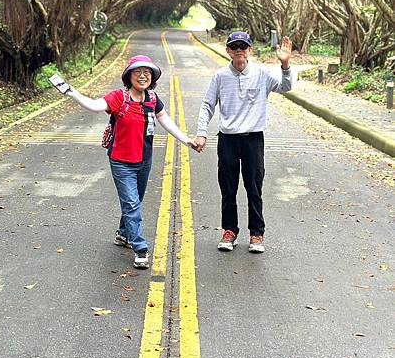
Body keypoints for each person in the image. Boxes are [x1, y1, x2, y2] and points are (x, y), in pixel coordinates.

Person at [65, 55, 198, 270]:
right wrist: (73, 92)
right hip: (121, 161)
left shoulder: (152, 99)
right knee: (132, 204)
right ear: (129, 76)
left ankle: (123, 234)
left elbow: (165, 120)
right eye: (137, 72)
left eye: (147, 72)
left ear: (152, 77)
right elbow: (95, 106)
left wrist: (187, 140)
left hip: (144, 160)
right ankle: (140, 248)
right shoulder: (119, 97)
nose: (143, 76)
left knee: (134, 202)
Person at [195, 31, 293, 254]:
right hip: (227, 139)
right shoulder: (220, 76)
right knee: (228, 188)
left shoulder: (261, 74)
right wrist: (201, 132)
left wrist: (285, 64)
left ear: (250, 50)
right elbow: (207, 105)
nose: (239, 49)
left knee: (254, 188)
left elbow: (285, 87)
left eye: (243, 46)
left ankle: (257, 233)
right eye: (234, 46)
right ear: (228, 50)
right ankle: (230, 231)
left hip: (253, 140)